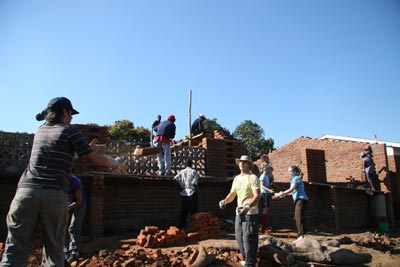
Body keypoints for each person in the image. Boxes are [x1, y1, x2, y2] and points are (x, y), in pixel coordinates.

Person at [0, 97, 126, 267]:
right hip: (53, 193)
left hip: (24, 193)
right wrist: (113, 162)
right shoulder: (70, 131)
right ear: (65, 112)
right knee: (54, 251)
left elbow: (59, 154)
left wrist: (75, 153)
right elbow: (94, 159)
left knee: (15, 249)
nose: (72, 118)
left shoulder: (40, 131)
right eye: (71, 113)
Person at [219, 155, 260, 267]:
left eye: (245, 162)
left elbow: (257, 195)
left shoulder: (253, 178)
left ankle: (251, 263)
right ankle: (248, 259)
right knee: (239, 237)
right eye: (241, 162)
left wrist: (247, 207)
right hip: (239, 213)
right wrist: (225, 201)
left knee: (249, 238)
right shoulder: (237, 178)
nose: (242, 163)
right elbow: (233, 194)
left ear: (249, 165)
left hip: (250, 213)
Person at [274, 165, 309, 245]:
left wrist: (281, 193)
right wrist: (282, 195)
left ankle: (301, 236)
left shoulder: (296, 178)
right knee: (299, 217)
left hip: (301, 200)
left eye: (290, 171)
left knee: (299, 217)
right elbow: (293, 192)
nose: (289, 173)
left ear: (294, 171)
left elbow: (291, 189)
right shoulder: (294, 179)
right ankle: (303, 235)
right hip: (301, 200)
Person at [64, 175, 86, 263]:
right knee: (63, 226)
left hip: (79, 205)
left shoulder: (75, 181)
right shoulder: (60, 180)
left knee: (73, 227)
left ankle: (74, 252)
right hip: (68, 204)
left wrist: (67, 207)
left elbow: (79, 201)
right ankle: (65, 251)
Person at [173, 159, 199, 230]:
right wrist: (197, 192)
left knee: (183, 212)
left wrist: (180, 188)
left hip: (184, 194)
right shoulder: (193, 171)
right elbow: (195, 183)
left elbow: (174, 179)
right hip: (192, 194)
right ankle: (195, 228)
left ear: (185, 164)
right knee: (194, 213)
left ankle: (181, 229)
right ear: (191, 164)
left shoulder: (181, 171)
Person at [259, 163, 274, 233]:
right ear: (264, 169)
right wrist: (269, 190)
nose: (268, 169)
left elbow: (266, 185)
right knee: (265, 210)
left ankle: (263, 226)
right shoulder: (262, 176)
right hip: (264, 194)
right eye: (267, 168)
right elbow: (261, 186)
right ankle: (262, 227)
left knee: (266, 210)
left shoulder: (266, 176)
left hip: (267, 194)